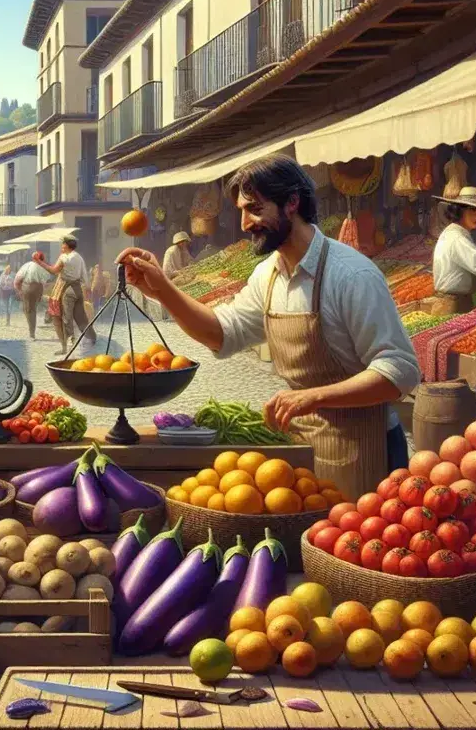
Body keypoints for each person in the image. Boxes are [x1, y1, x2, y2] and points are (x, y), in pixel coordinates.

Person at [115, 155, 420, 498]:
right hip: (303, 451)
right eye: (242, 211)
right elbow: (223, 334)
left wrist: (314, 397)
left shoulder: (351, 275)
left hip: (369, 448)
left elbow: (400, 370)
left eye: (255, 209)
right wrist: (161, 290)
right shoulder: (268, 275)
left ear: (291, 203)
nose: (245, 223)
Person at [37, 236, 96, 355]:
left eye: (63, 246)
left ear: (67, 247)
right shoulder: (79, 257)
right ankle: (92, 338)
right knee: (80, 317)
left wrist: (39, 262)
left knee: (62, 318)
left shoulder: (64, 257)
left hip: (65, 289)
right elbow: (84, 274)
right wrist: (87, 287)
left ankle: (68, 344)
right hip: (77, 288)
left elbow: (53, 270)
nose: (61, 248)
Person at [14, 252, 53, 339]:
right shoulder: (43, 267)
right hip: (38, 289)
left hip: (28, 288)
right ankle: (33, 328)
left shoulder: (28, 265)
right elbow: (46, 279)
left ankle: (32, 334)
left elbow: (17, 279)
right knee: (31, 309)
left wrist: (18, 290)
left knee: (30, 311)